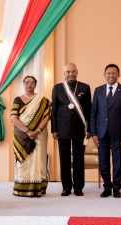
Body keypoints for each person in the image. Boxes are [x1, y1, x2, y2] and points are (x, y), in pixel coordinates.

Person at [91, 64, 121, 198]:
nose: (111, 75)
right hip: (101, 131)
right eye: (108, 73)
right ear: (104, 75)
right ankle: (107, 187)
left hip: (119, 133)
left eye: (114, 73)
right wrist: (94, 132)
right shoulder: (98, 91)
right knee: (103, 161)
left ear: (118, 75)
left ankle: (116, 187)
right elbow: (94, 113)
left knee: (117, 161)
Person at [51, 63, 92, 197]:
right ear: (64, 73)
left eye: (73, 71)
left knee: (79, 159)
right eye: (68, 72)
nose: (71, 74)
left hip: (79, 128)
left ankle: (78, 187)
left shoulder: (85, 87)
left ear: (77, 72)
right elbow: (54, 110)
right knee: (64, 159)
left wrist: (88, 128)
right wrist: (54, 129)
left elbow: (88, 110)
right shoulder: (57, 88)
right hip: (62, 128)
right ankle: (66, 187)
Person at [11, 76, 52, 197]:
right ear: (23, 84)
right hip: (21, 135)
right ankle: (22, 187)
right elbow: (14, 118)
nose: (29, 84)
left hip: (39, 135)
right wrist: (28, 131)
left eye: (32, 82)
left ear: (35, 84)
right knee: (23, 162)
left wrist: (38, 130)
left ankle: (38, 187)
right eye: (27, 82)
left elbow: (47, 117)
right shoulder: (17, 99)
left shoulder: (43, 101)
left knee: (39, 159)